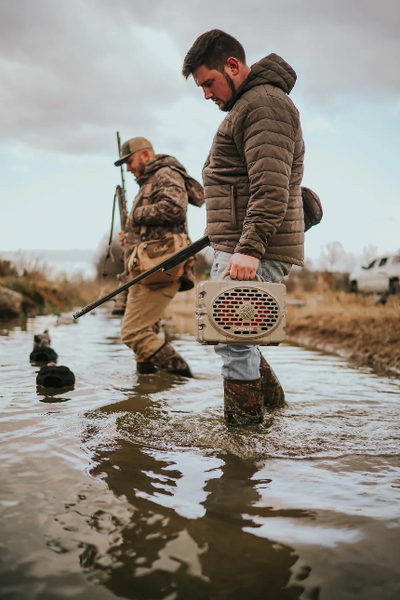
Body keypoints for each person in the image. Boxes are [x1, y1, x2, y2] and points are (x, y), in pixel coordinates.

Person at [182, 30, 305, 424]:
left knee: (233, 340)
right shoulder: (248, 107)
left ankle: (243, 443)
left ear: (232, 66)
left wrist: (249, 248)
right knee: (236, 337)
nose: (206, 95)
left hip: (253, 248)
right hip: (241, 244)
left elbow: (270, 186)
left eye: (208, 83)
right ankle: (273, 418)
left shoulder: (264, 104)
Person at [115, 136, 204, 377]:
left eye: (130, 161)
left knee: (133, 333)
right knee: (145, 339)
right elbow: (154, 226)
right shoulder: (150, 181)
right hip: (147, 268)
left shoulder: (165, 172)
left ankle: (184, 379)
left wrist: (135, 216)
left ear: (145, 155)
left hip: (157, 268)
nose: (128, 168)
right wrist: (131, 235)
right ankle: (149, 395)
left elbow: (175, 207)